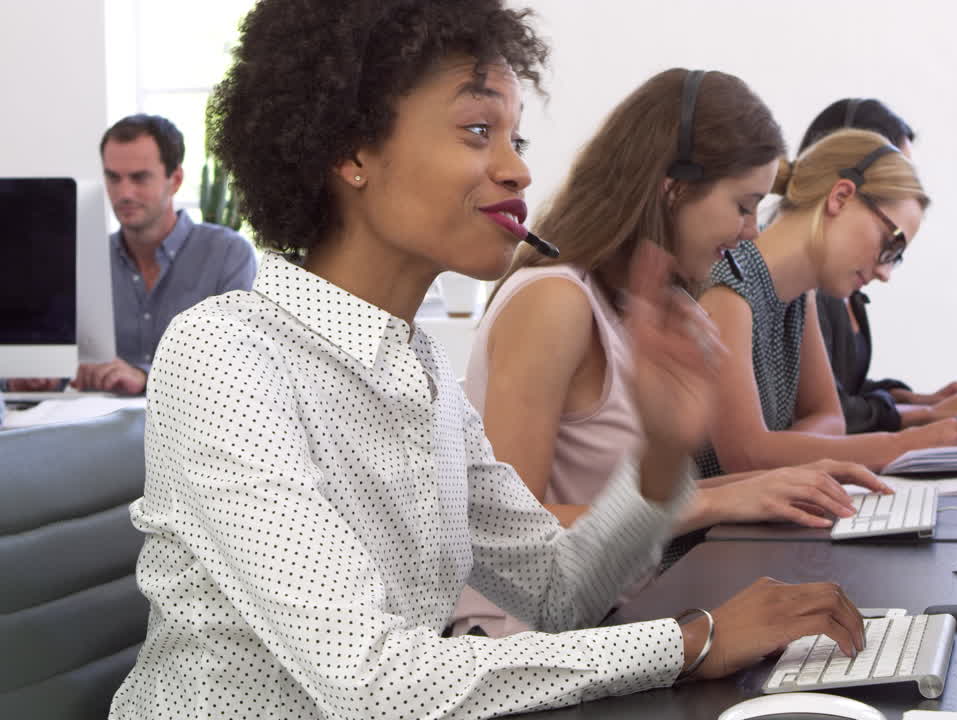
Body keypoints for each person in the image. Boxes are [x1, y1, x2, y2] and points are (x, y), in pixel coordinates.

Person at [108, 3, 865, 718]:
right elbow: (374, 683)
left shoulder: (421, 372)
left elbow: (557, 592)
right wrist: (694, 638)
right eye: (477, 130)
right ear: (351, 150)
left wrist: (662, 456)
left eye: (516, 140)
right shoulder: (228, 353)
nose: (518, 171)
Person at [452, 69, 890, 637]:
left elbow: (613, 516)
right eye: (743, 204)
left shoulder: (628, 303)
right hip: (524, 650)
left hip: (603, 624)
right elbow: (516, 532)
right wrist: (715, 503)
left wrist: (763, 486)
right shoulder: (555, 300)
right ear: (673, 187)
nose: (752, 232)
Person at [694, 128, 957, 479]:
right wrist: (904, 444)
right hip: (703, 532)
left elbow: (832, 418)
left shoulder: (801, 295)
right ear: (840, 197)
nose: (885, 273)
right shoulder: (728, 285)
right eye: (891, 245)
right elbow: (746, 456)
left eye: (896, 258)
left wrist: (776, 451)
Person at [5, 114, 256, 395]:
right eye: (113, 178)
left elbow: (241, 365)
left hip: (195, 430)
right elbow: (58, 359)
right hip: (101, 431)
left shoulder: (229, 255)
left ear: (175, 180)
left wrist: (144, 376)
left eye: (139, 178)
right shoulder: (83, 262)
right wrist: (41, 379)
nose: (124, 193)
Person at [801, 99, 957, 433]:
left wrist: (923, 400)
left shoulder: (842, 284)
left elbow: (842, 389)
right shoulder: (803, 286)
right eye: (897, 170)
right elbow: (825, 414)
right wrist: (925, 419)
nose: (905, 185)